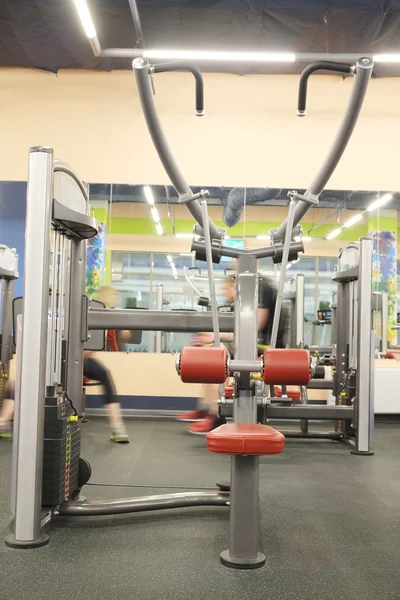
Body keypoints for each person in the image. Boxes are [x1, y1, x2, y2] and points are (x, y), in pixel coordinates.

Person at [177, 275, 286, 434]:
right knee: (208, 353)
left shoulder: (257, 296)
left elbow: (252, 329)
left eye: (227, 289)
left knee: (214, 356)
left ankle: (215, 414)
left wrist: (215, 336)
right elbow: (236, 331)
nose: (224, 292)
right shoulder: (240, 305)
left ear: (237, 288)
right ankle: (206, 407)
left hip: (265, 346)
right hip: (252, 343)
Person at [84, 285, 131, 443]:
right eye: (112, 293)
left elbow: (123, 336)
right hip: (62, 359)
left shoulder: (108, 312)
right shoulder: (92, 310)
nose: (115, 295)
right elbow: (98, 339)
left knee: (104, 373)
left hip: (81, 359)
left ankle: (117, 426)